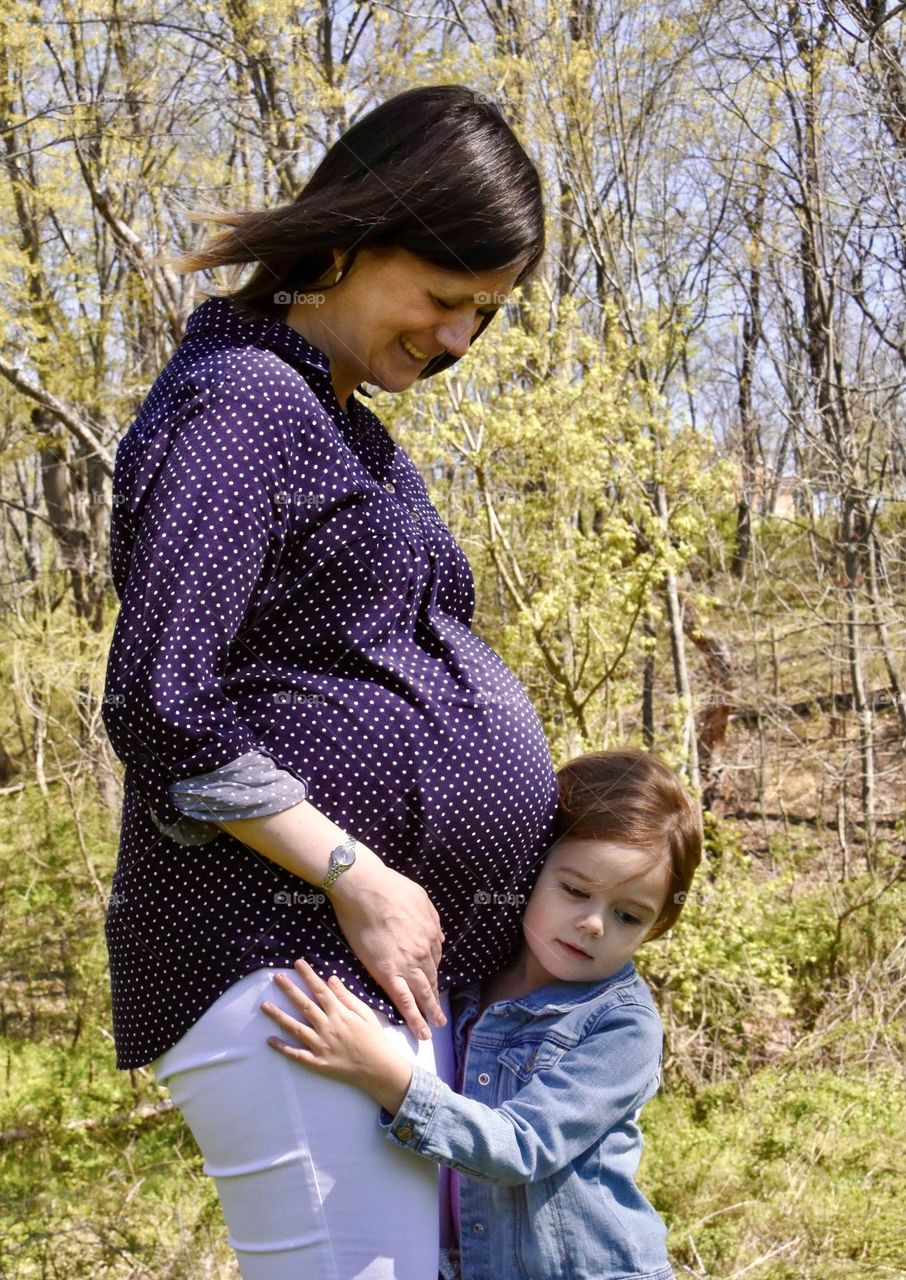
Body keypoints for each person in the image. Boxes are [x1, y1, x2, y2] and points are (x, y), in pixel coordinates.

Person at [100, 84, 559, 1280]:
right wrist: (354, 870)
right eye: (445, 297)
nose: (459, 339)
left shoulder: (338, 420)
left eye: (487, 314)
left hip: (363, 974)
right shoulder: (244, 401)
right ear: (351, 240)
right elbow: (158, 697)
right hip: (282, 962)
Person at [260, 749, 703, 1280]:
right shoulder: (469, 977)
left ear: (656, 927)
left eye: (628, 915)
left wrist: (382, 1073)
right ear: (532, 866)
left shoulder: (622, 1025)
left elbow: (521, 1148)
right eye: (575, 890)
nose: (592, 924)